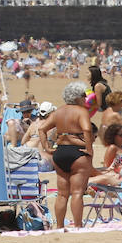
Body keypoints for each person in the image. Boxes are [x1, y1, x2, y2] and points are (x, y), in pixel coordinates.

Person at [48, 81, 94, 229]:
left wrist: (46, 147)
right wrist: (89, 149)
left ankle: (60, 227)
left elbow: (42, 128)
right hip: (77, 152)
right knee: (77, 192)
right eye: (83, 96)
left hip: (60, 152)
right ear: (77, 98)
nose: (85, 99)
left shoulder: (58, 111)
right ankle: (78, 226)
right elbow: (87, 130)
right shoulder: (81, 112)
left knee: (62, 194)